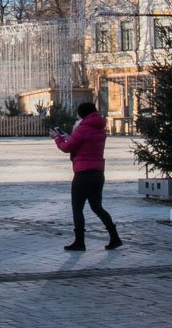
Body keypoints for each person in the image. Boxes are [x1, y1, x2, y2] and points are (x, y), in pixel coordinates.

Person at [51, 101, 121, 251]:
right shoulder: (101, 128)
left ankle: (79, 242)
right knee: (97, 207)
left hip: (83, 173)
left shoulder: (82, 128)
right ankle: (115, 237)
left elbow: (67, 147)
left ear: (82, 114)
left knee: (77, 208)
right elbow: (83, 143)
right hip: (98, 172)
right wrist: (69, 137)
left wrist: (57, 138)